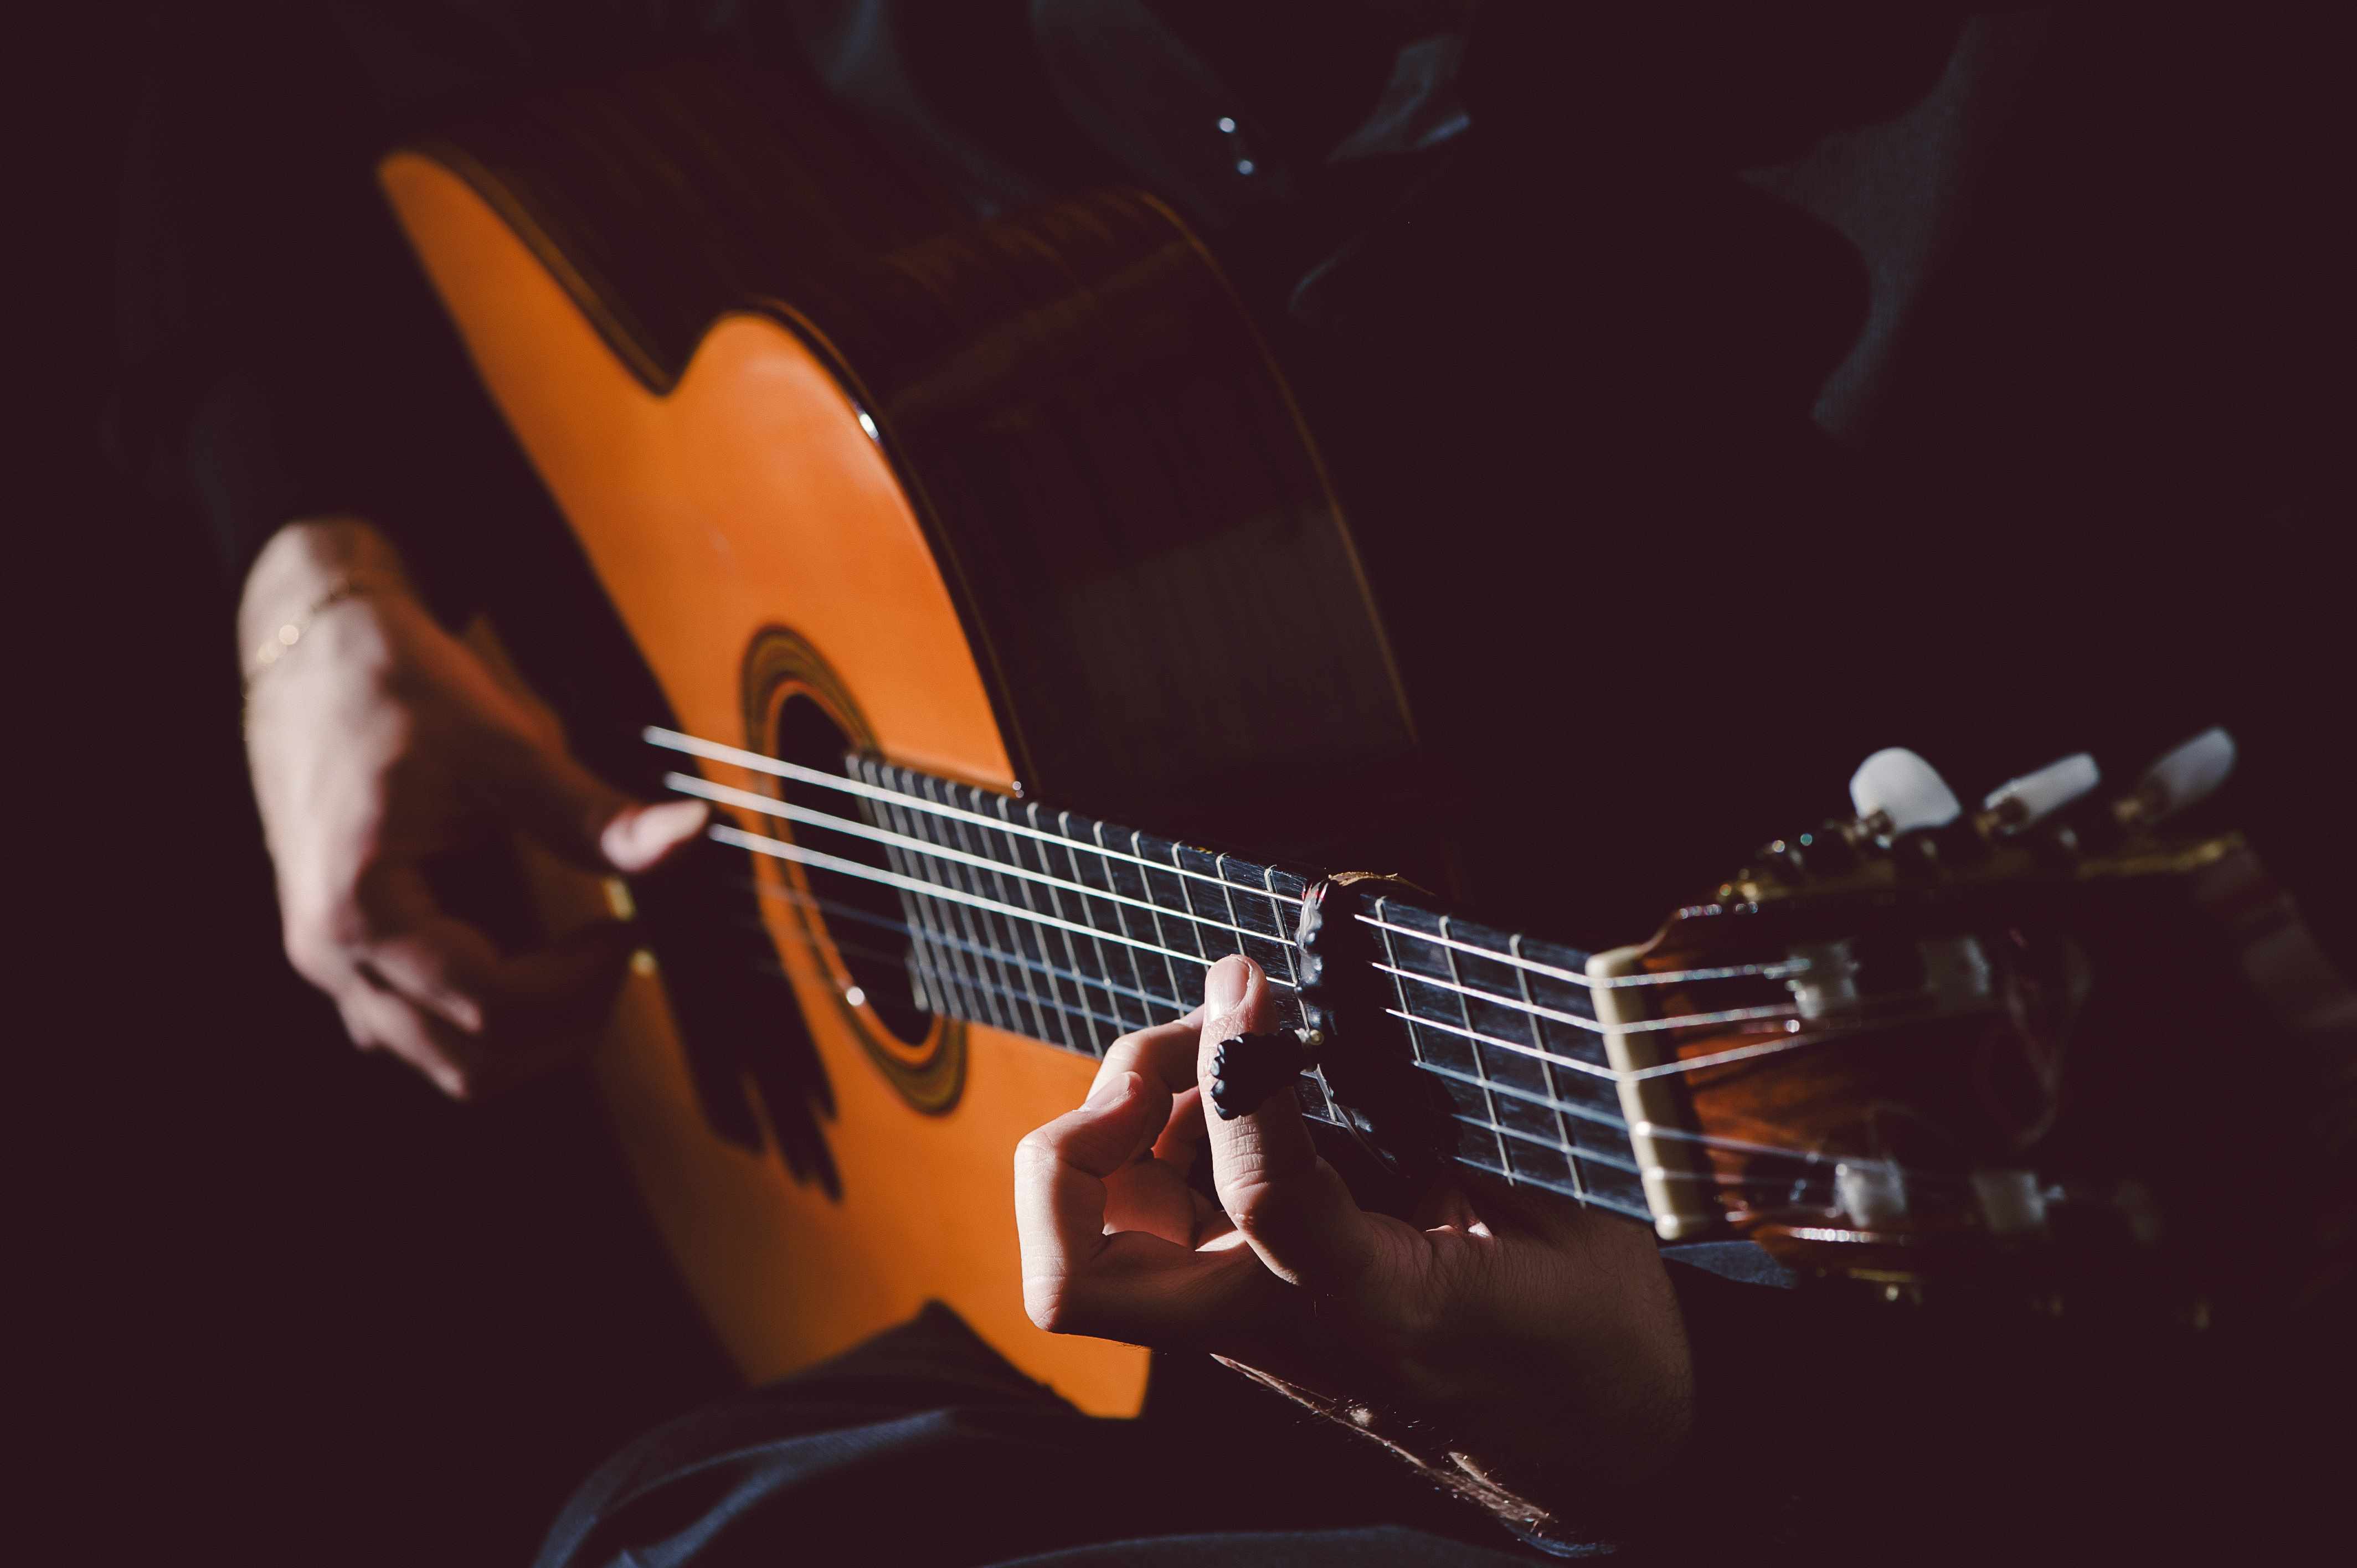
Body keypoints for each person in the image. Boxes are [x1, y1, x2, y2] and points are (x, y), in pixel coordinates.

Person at [121, 3, 2343, 1561]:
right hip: (1029, 1304)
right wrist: (310, 580)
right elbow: (252, 81)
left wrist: (1672, 1423)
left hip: (1779, 1368)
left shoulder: (2144, 127)